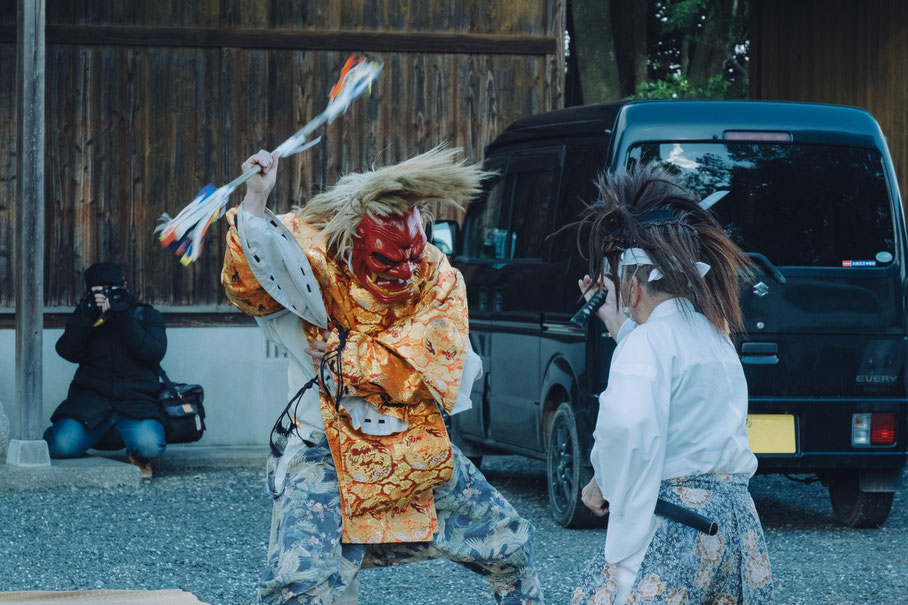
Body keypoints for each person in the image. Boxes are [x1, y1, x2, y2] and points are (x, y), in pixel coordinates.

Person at [221, 147, 543, 605]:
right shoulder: (318, 252)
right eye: (389, 259)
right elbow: (251, 286)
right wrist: (255, 201)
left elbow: (430, 361)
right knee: (297, 584)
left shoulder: (437, 275)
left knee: (511, 547)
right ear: (355, 240)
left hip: (414, 446)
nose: (406, 270)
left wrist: (340, 354)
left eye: (413, 254)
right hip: (324, 448)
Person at [571, 166, 774, 604]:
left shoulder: (646, 344)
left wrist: (603, 483)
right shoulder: (713, 334)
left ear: (632, 284)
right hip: (733, 525)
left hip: (673, 522)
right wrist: (616, 323)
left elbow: (624, 429)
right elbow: (668, 375)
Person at [44, 262, 168, 479]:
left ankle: (137, 453)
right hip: (91, 405)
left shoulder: (146, 316)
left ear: (125, 287)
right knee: (57, 446)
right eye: (100, 291)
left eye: (112, 290)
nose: (108, 297)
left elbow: (153, 352)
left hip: (136, 404)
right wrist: (87, 315)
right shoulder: (86, 315)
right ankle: (90, 441)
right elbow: (66, 351)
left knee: (150, 445)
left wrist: (124, 318)